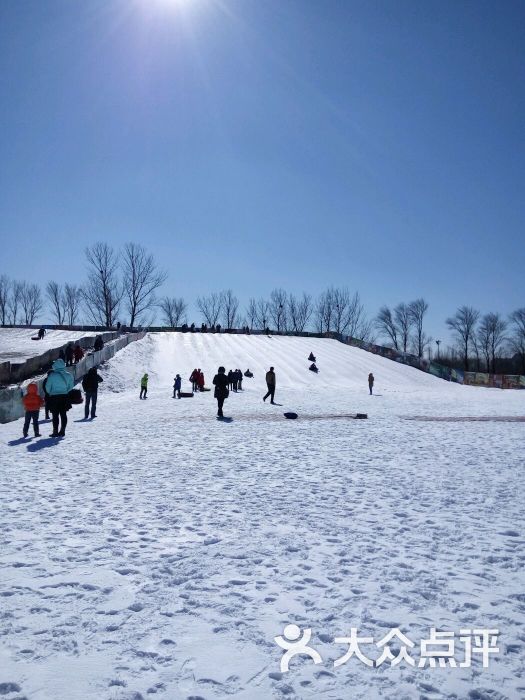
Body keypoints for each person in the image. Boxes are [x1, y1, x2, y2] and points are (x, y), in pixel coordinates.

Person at [45, 358, 74, 437]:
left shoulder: (52, 375)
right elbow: (71, 386)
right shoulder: (68, 375)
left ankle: (55, 431)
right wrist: (65, 391)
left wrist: (51, 392)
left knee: (55, 415)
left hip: (54, 397)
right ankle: (62, 431)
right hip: (64, 397)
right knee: (63, 414)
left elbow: (47, 387)